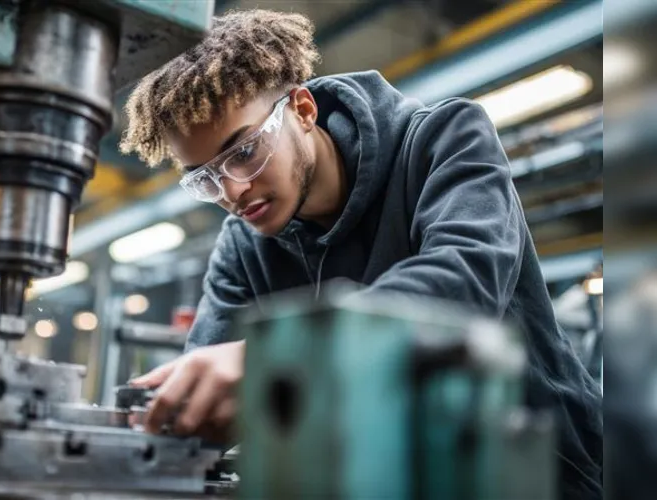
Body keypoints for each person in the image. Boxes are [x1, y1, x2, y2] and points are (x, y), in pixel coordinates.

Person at [118, 9, 602, 499]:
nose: (233, 191)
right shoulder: (244, 247)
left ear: (303, 110)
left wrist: (272, 357)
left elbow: (466, 285)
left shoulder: (445, 141)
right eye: (206, 177)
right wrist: (165, 410)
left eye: (243, 152)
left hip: (542, 474)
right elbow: (208, 388)